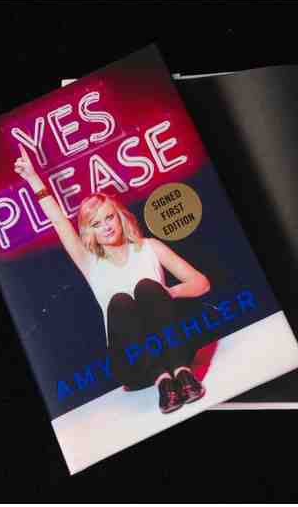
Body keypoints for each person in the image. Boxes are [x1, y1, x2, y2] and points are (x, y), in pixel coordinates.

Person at [14, 144, 210, 414]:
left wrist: (169, 292)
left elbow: (202, 283)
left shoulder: (149, 247)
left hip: (173, 349)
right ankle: (164, 383)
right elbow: (59, 222)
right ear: (90, 232)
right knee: (119, 302)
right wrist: (33, 178)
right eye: (96, 224)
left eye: (109, 218)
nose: (106, 226)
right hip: (133, 364)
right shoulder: (90, 262)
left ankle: (183, 374)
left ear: (120, 217)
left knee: (147, 288)